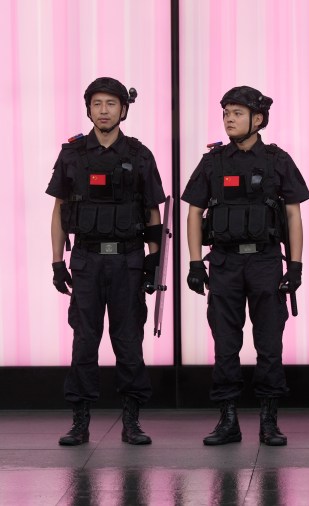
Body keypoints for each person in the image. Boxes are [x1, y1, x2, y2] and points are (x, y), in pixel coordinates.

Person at [181, 86, 309, 447]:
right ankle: (228, 420)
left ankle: (269, 422)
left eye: (237, 113)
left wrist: (295, 265)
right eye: (226, 113)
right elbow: (193, 212)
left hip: (266, 261)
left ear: (258, 119)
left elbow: (293, 214)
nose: (229, 120)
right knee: (225, 344)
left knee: (269, 343)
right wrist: (194, 262)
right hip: (224, 262)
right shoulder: (213, 161)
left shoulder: (276, 160)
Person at [47, 77, 165, 446]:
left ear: (123, 110)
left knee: (129, 340)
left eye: (110, 104)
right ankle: (80, 420)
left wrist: (153, 262)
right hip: (85, 259)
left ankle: (132, 420)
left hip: (128, 260)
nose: (103, 110)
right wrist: (56, 262)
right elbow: (59, 211)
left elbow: (153, 214)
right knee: (84, 341)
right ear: (88, 109)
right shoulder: (73, 154)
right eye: (97, 104)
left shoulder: (140, 155)